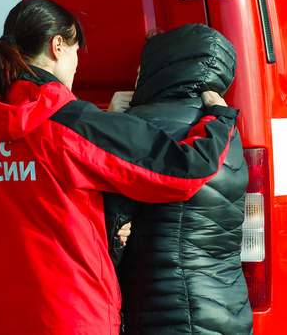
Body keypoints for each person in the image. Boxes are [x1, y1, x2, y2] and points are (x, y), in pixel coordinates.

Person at [0, 0, 240, 335]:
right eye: (76, 52)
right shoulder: (71, 124)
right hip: (72, 317)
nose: (75, 68)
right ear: (58, 46)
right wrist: (219, 119)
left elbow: (29, 198)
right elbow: (184, 171)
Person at [105, 23, 254, 335]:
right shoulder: (224, 128)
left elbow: (106, 228)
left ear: (161, 69)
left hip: (165, 309)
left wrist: (111, 123)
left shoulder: (142, 124)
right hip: (227, 305)